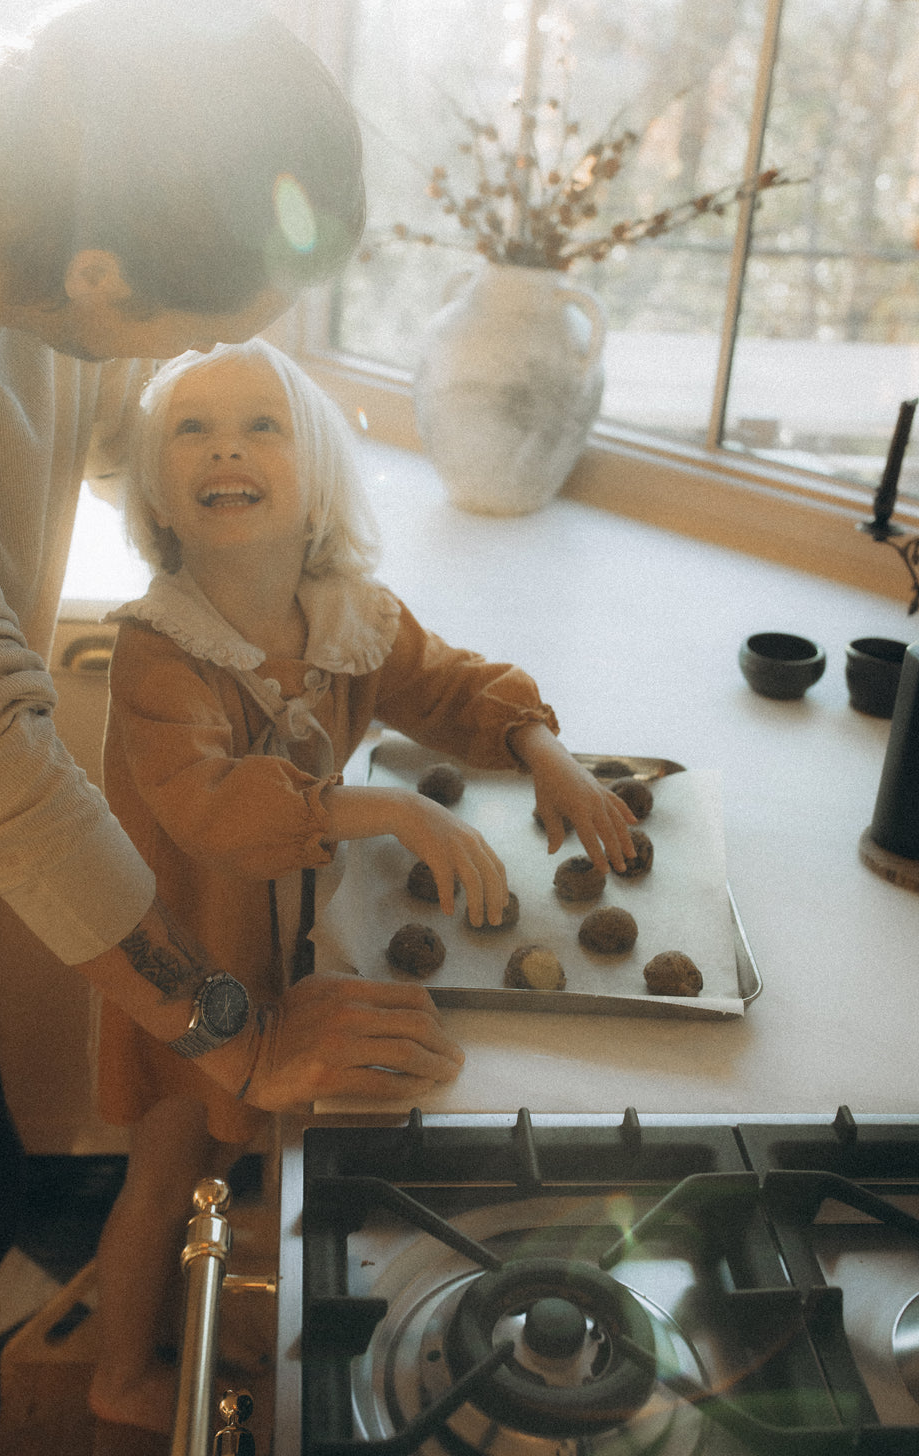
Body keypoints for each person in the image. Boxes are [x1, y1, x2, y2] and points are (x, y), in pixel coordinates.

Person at [0, 3, 460, 1449]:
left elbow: (125, 429)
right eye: (193, 326)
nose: (198, 364)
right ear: (101, 272)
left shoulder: (32, 260)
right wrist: (238, 1035)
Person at [89, 339, 638, 1430]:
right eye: (191, 429)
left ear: (318, 481)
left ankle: (213, 1300)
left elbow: (447, 685)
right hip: (186, 970)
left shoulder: (346, 617)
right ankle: (118, 1372)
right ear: (158, 487)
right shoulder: (159, 652)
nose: (225, 447)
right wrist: (386, 807)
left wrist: (542, 750)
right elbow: (209, 804)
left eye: (261, 424)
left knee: (255, 1149)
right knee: (168, 1168)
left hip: (286, 950)